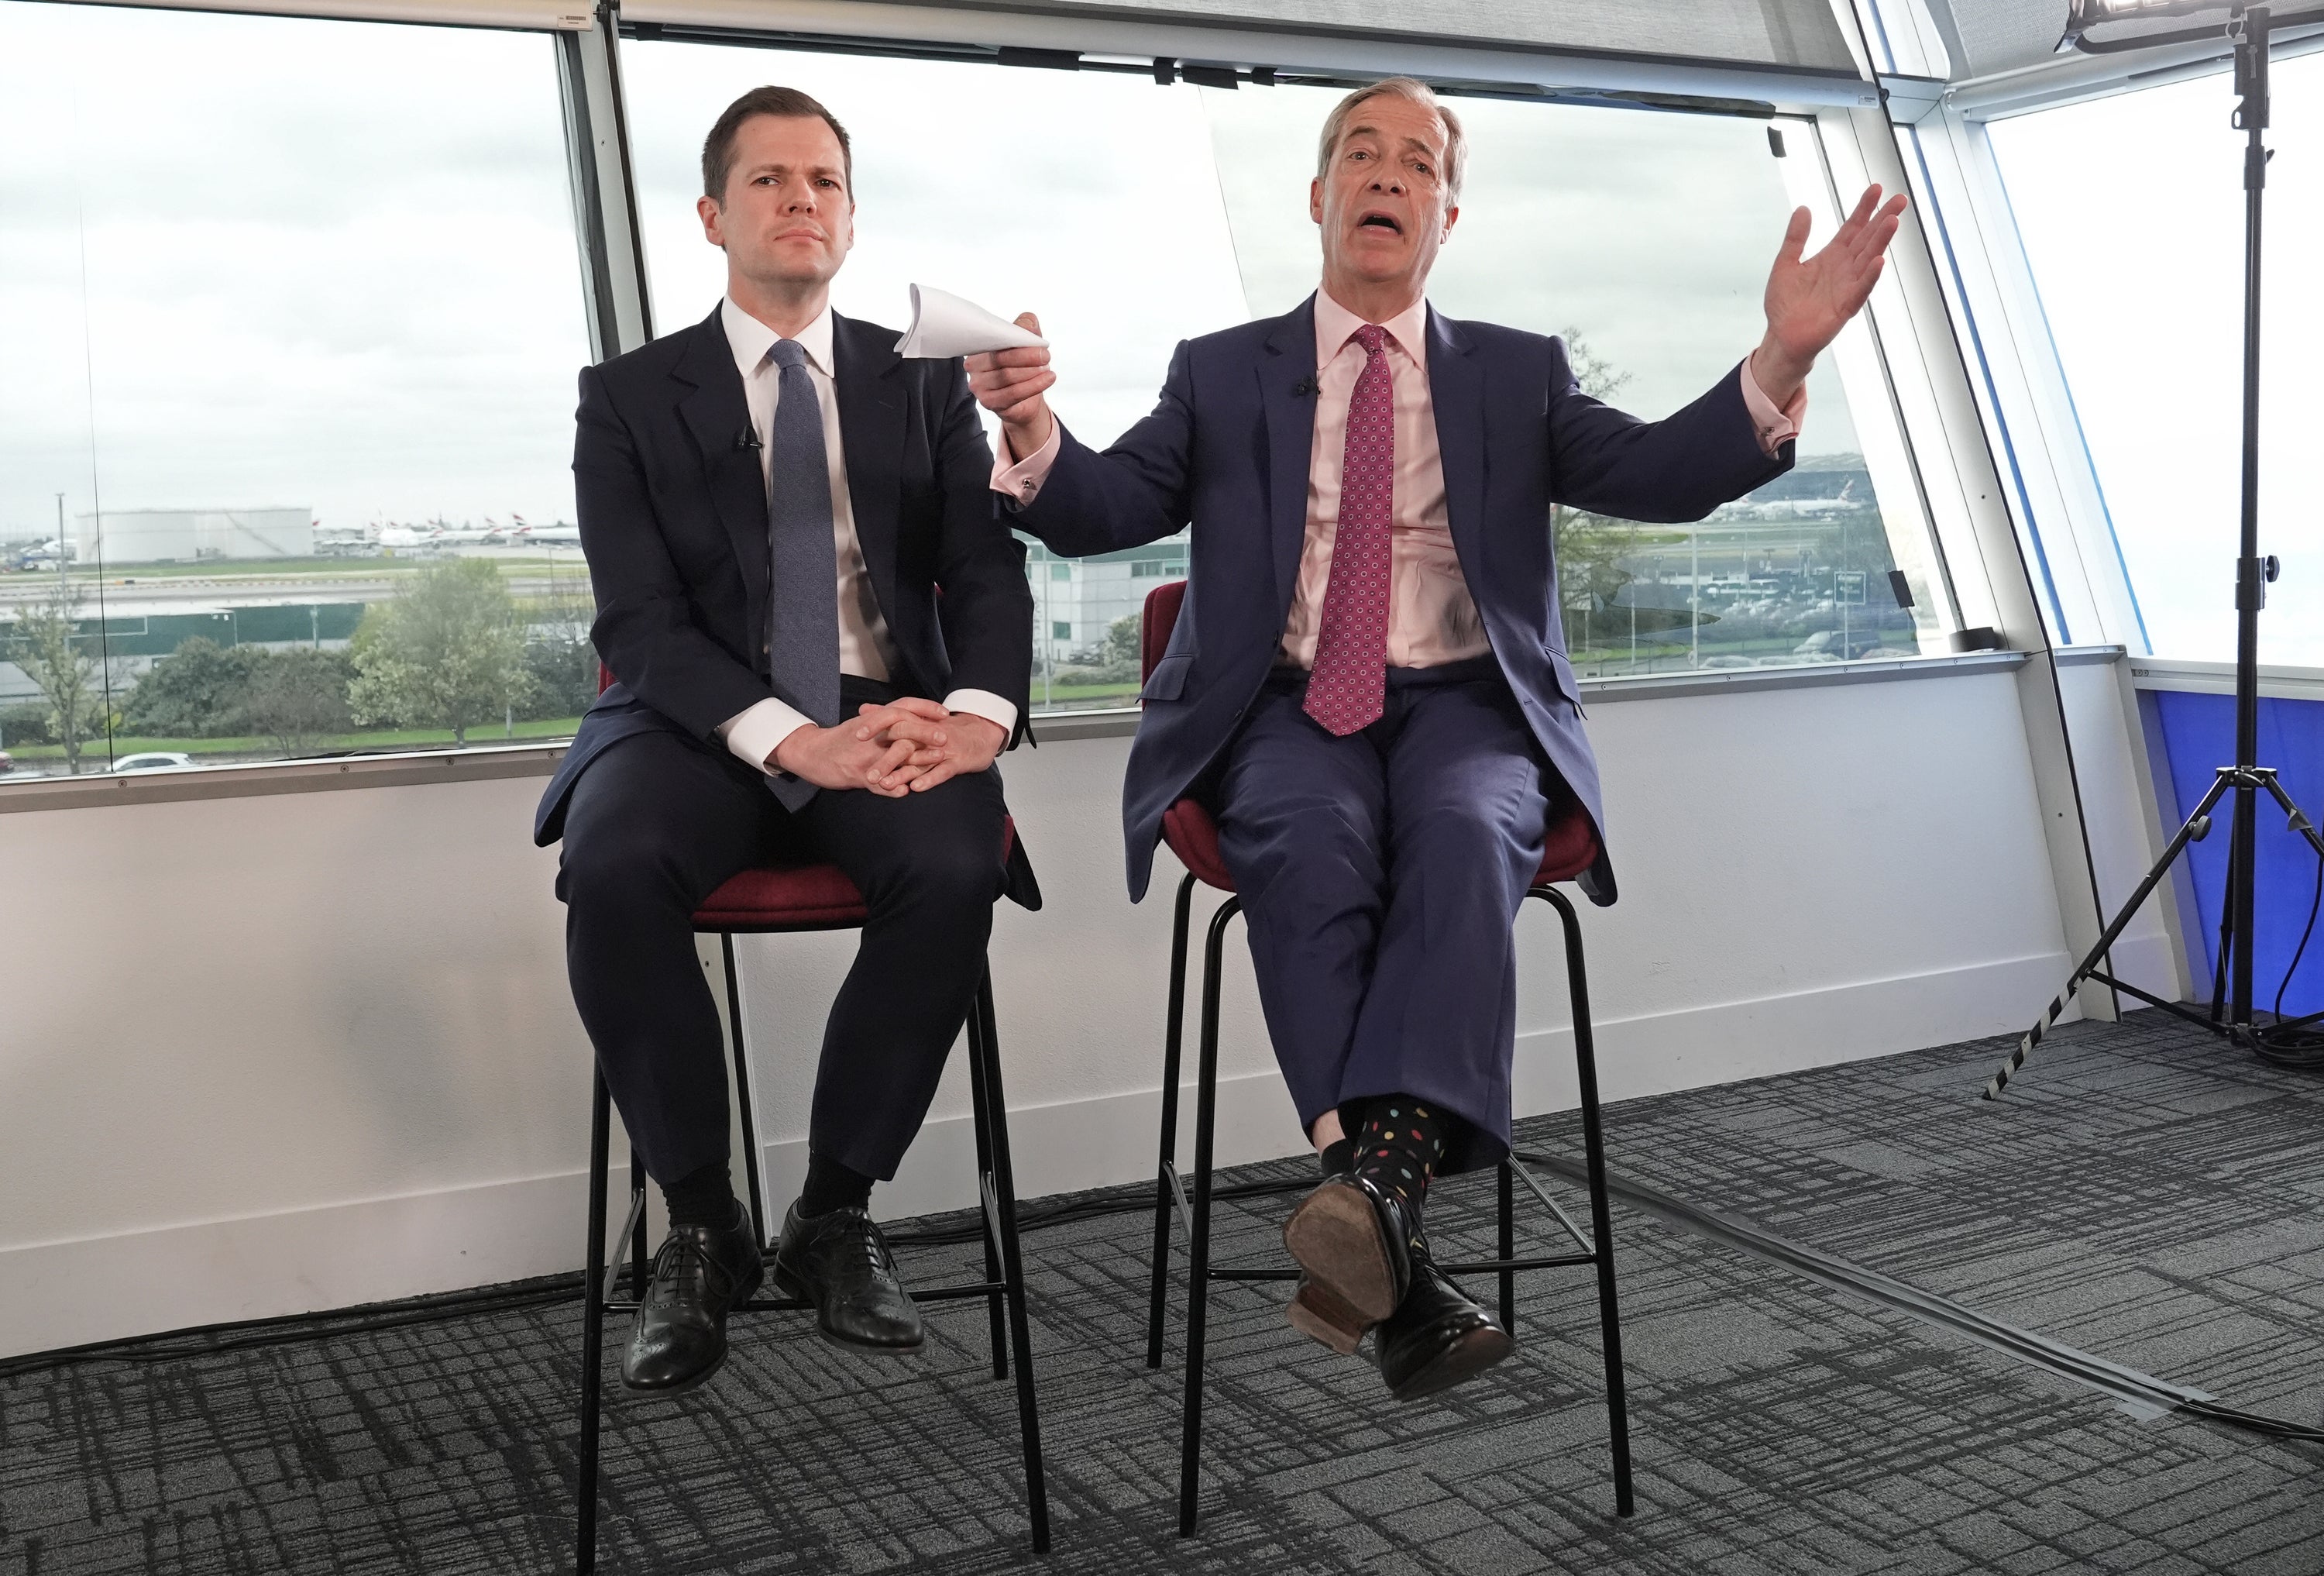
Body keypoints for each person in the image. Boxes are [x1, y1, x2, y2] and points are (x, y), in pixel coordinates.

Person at [968, 77, 1902, 1400]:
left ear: (1447, 216)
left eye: (1418, 163)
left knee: (1469, 828)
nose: (1389, 176)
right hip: (1286, 705)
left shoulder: (1514, 374)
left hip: (1467, 702)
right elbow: (1103, 501)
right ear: (1320, 197)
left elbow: (1658, 475)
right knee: (1308, 835)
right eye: (1363, 154)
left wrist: (1785, 357)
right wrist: (1028, 427)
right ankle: (1397, 1238)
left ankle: (1372, 1201)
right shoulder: (1221, 369)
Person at [535, 85, 1037, 1397]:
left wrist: (978, 719)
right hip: (696, 722)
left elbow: (983, 566)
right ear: (712, 216)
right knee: (614, 855)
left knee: (955, 860)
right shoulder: (628, 397)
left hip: (881, 709)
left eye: (823, 180)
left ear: (852, 218)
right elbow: (637, 619)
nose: (799, 200)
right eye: (768, 181)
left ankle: (832, 1211)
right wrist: (783, 737)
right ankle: (701, 1220)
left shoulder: (923, 383)